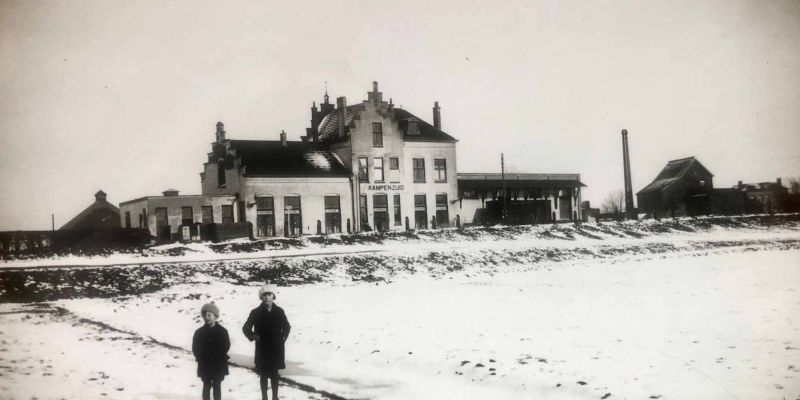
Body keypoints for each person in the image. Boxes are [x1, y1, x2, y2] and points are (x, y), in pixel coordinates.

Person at [242, 284, 291, 400]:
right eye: (264, 295)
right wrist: (253, 336)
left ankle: (275, 397)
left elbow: (287, 327)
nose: (266, 297)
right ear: (261, 297)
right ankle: (264, 397)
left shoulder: (279, 311)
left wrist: (283, 338)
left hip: (276, 347)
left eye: (269, 295)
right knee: (263, 375)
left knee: (274, 374)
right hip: (262, 348)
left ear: (273, 296)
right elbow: (246, 328)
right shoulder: (255, 312)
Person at [192, 302, 231, 400]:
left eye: (209, 315)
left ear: (215, 316)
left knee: (217, 385)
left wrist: (217, 355)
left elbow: (226, 346)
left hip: (218, 363)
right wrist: (200, 357)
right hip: (205, 363)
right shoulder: (199, 332)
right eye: (204, 315)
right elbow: (195, 348)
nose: (206, 317)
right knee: (206, 385)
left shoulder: (222, 331)